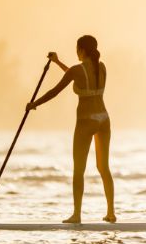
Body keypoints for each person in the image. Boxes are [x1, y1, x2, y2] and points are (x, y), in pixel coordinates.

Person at [26, 35, 116, 224]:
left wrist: (34, 104)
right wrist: (58, 62)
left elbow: (55, 91)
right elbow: (76, 77)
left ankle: (76, 215)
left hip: (86, 121)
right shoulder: (102, 67)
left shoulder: (78, 70)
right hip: (104, 120)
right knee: (103, 167)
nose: (76, 52)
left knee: (78, 170)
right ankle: (111, 212)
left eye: (77, 48)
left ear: (82, 50)